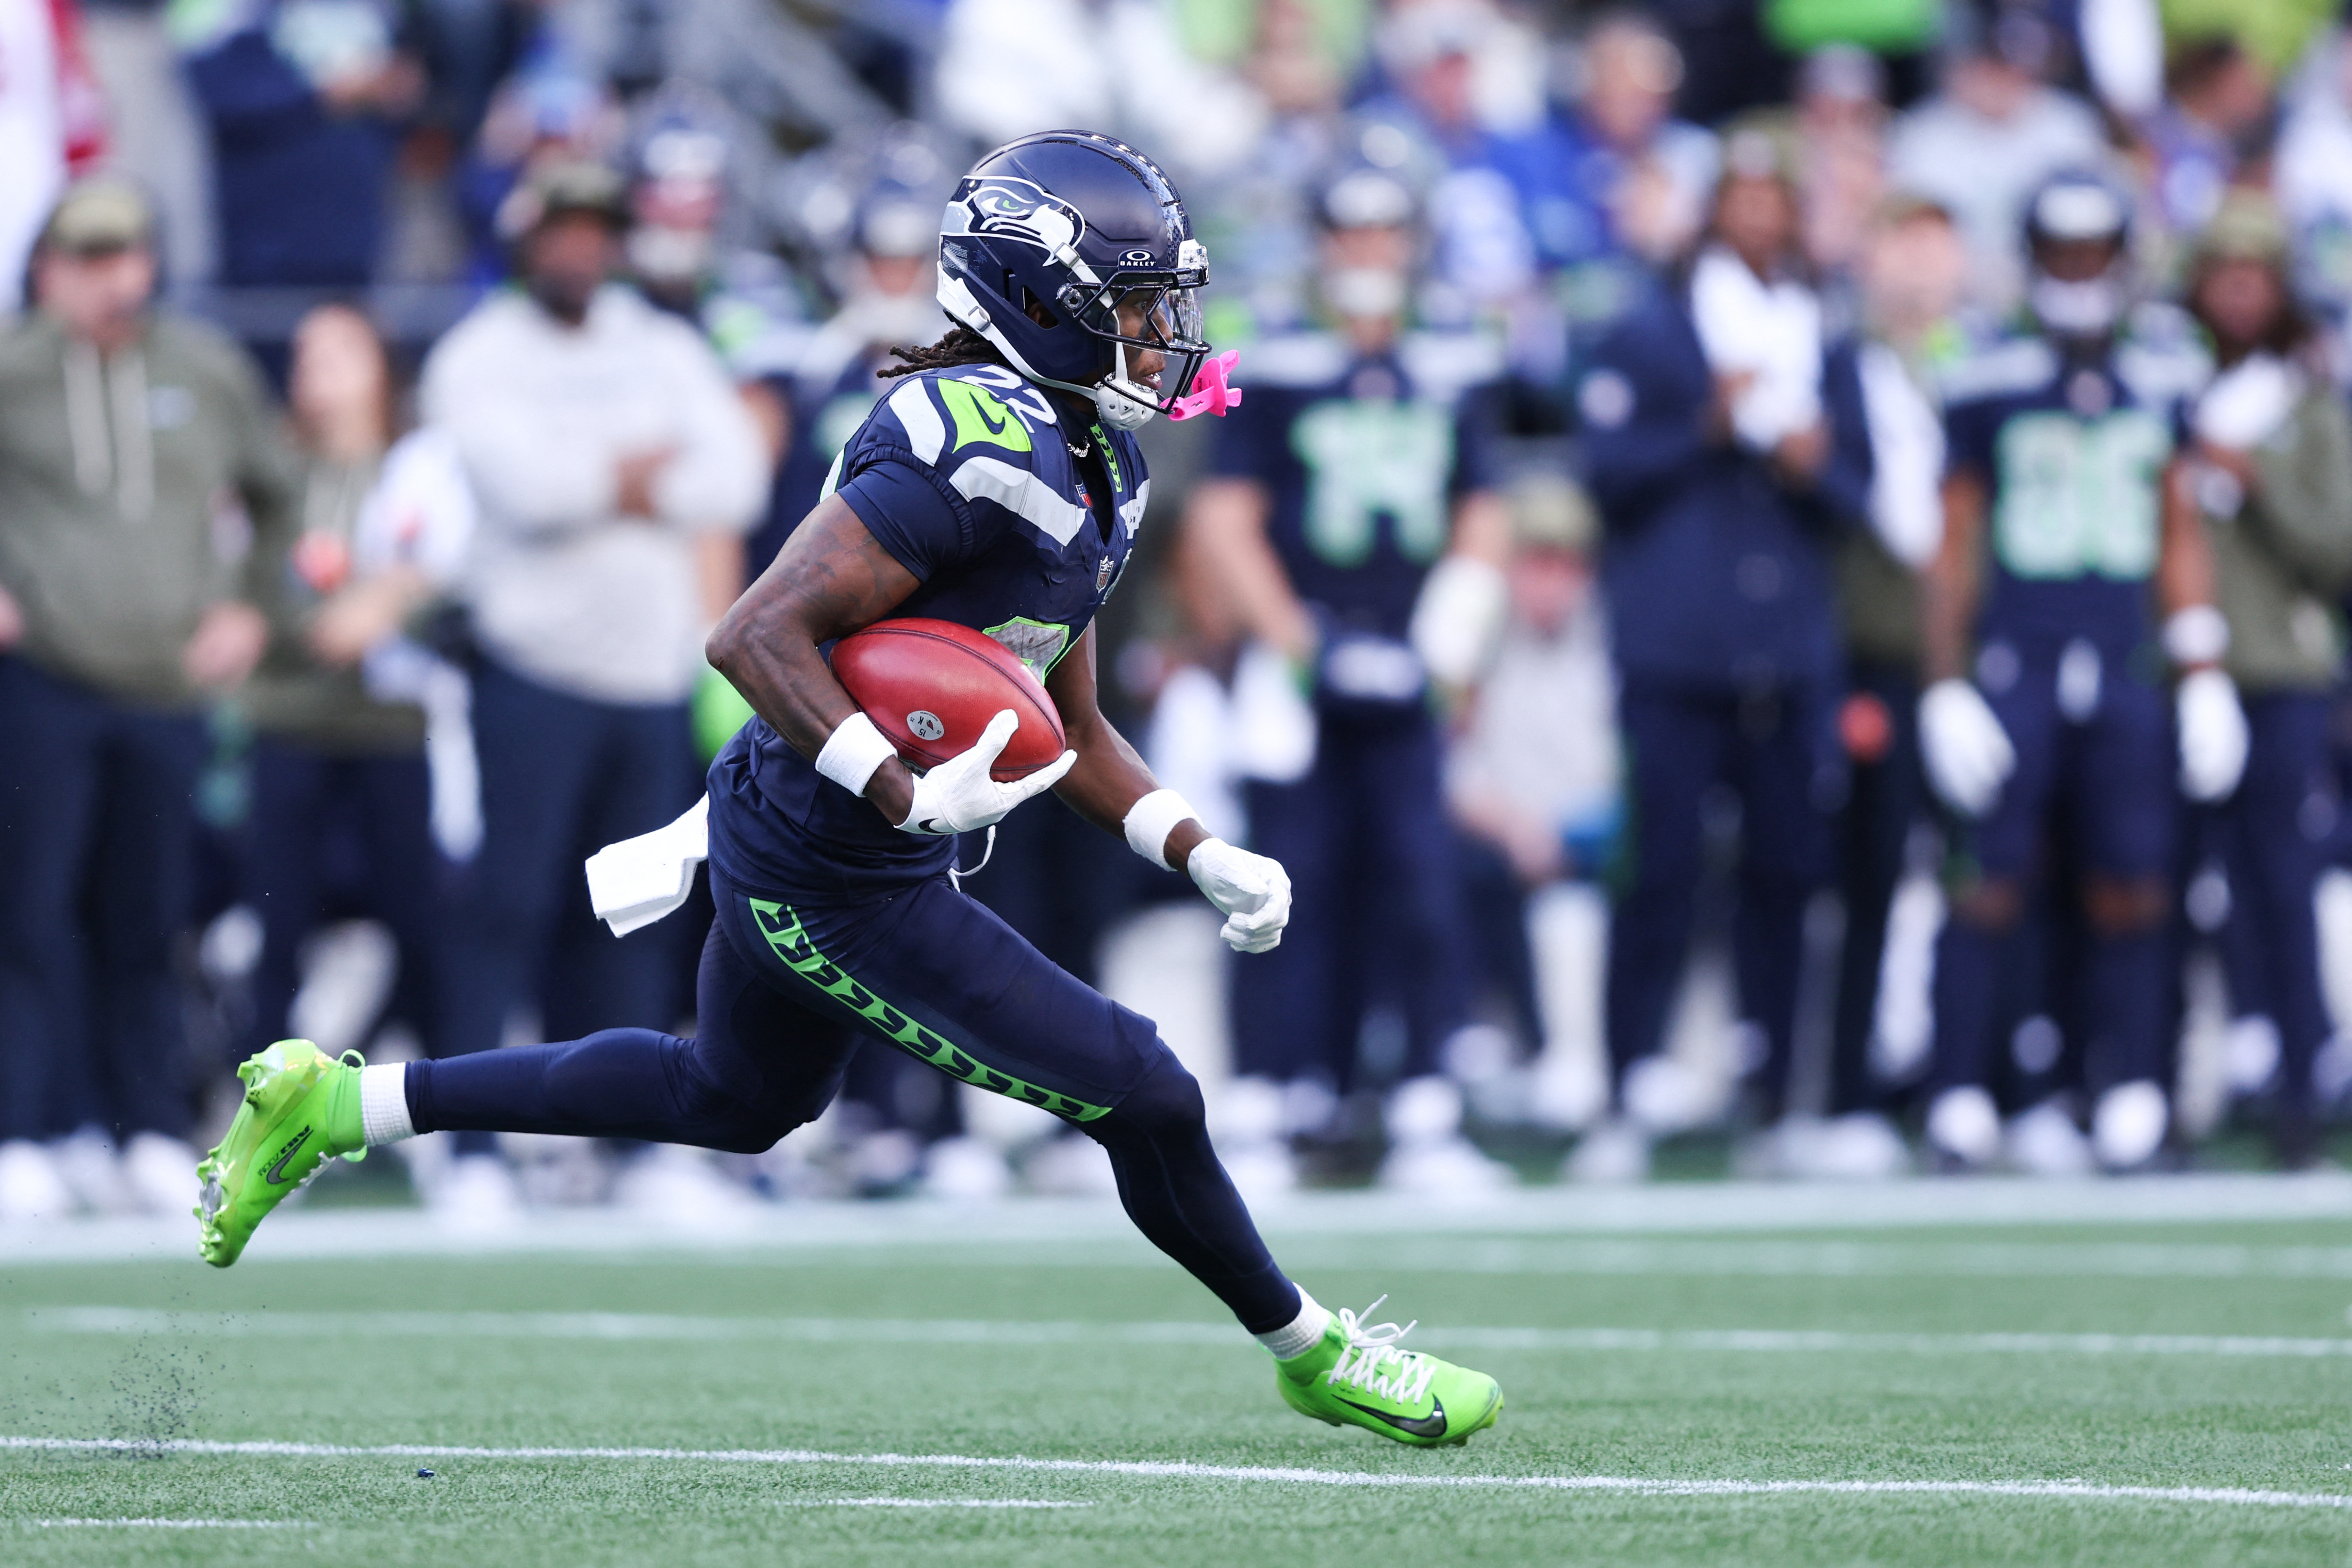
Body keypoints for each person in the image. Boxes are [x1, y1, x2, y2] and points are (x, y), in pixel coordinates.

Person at [193, 130, 1506, 1448]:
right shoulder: (961, 442)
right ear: (1036, 298)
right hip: (826, 865)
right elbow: (753, 635)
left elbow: (1067, 716)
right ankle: (1311, 1351)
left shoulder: (1095, 460)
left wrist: (1195, 847)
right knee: (1146, 1089)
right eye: (1131, 304)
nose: (1160, 333)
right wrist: (895, 789)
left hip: (838, 837)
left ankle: (338, 1103)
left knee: (730, 1098)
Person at [418, 159, 767, 1213]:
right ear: (526, 240)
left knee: (635, 920)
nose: (579, 249)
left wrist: (600, 473)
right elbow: (524, 490)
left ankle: (622, 1143)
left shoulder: (661, 344)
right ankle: (469, 1144)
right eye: (561, 230)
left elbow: (736, 477)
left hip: (648, 675)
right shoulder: (480, 354)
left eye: (595, 230)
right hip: (529, 670)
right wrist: (636, 468)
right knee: (507, 909)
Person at [1183, 157, 1516, 1195]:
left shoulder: (1453, 347)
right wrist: (1297, 642)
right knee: (1282, 885)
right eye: (1348, 232)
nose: (1367, 251)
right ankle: (1269, 1100)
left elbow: (1484, 508)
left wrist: (1448, 639)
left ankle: (1422, 1106)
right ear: (1321, 241)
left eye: (1383, 232)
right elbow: (1223, 518)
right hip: (1297, 660)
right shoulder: (1270, 345)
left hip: (1410, 651)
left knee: (1420, 880)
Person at [1570, 121, 1872, 1183]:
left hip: (1786, 651)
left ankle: (1777, 1092)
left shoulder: (1822, 335)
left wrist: (1807, 458)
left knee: (1787, 874)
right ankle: (1624, 1087)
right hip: (1674, 650)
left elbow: (1858, 494)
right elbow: (1603, 473)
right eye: (1737, 199)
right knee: (1657, 874)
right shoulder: (1650, 331)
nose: (1754, 217)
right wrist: (1707, 424)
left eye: (1769, 199)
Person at [1916, 171, 2227, 1173]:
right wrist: (1944, 678)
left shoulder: (2166, 360)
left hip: (2125, 656)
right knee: (1987, 880)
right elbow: (1953, 533)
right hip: (2020, 653)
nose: (2079, 270)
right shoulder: (1984, 362)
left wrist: (2204, 662)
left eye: (2095, 252)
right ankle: (1962, 1092)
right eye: (2062, 251)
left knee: (2134, 881)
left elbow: (2180, 525)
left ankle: (2130, 1084)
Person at [0, 179, 297, 1217]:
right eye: (85, 257)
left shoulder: (204, 368)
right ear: (47, 269)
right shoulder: (13, 367)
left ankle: (146, 1126)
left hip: (169, 682)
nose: (107, 276)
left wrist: (251, 607)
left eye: (121, 253)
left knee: (149, 915)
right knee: (28, 911)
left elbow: (278, 493)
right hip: (42, 676)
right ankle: (25, 1131)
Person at [2176, 192, 2352, 1167]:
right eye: (2225, 274)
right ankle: (2167, 1088)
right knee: (2172, 881)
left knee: (2281, 879)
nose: (2240, 294)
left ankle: (2301, 1085)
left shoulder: (2305, 404)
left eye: (2257, 276)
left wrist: (2256, 480)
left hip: (2280, 669)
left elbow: (2339, 544)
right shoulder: (2170, 386)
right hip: (2178, 667)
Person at [236, 305, 444, 1082]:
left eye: (339, 355)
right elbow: (246, 585)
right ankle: (260, 1097)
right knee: (277, 919)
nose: (315, 374)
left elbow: (449, 573)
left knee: (417, 918)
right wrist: (317, 625)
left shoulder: (419, 469)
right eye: (304, 357)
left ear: (380, 368)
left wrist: (387, 610)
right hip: (289, 720)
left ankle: (422, 1097)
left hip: (396, 726)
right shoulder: (274, 474)